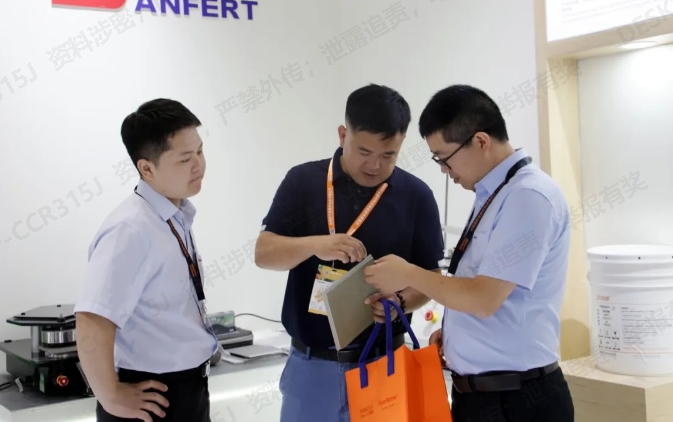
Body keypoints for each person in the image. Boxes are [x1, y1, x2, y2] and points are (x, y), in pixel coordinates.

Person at [364, 84, 575, 422]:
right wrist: (456, 336)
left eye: (444, 158)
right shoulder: (494, 193)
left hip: (517, 400)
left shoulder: (528, 197)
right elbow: (485, 290)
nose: (444, 170)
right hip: (480, 395)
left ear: (480, 141)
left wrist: (407, 273)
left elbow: (483, 298)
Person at [254, 84, 445, 422]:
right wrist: (314, 244)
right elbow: (264, 253)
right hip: (312, 368)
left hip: (384, 365)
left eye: (388, 155)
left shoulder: (416, 196)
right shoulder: (303, 182)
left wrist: (400, 302)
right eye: (364, 151)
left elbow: (431, 278)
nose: (374, 165)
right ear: (343, 135)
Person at [74, 99, 217, 422]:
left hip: (187, 389)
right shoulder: (130, 229)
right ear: (147, 168)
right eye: (185, 159)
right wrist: (110, 396)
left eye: (200, 151)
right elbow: (92, 318)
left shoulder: (172, 216)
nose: (199, 165)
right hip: (152, 396)